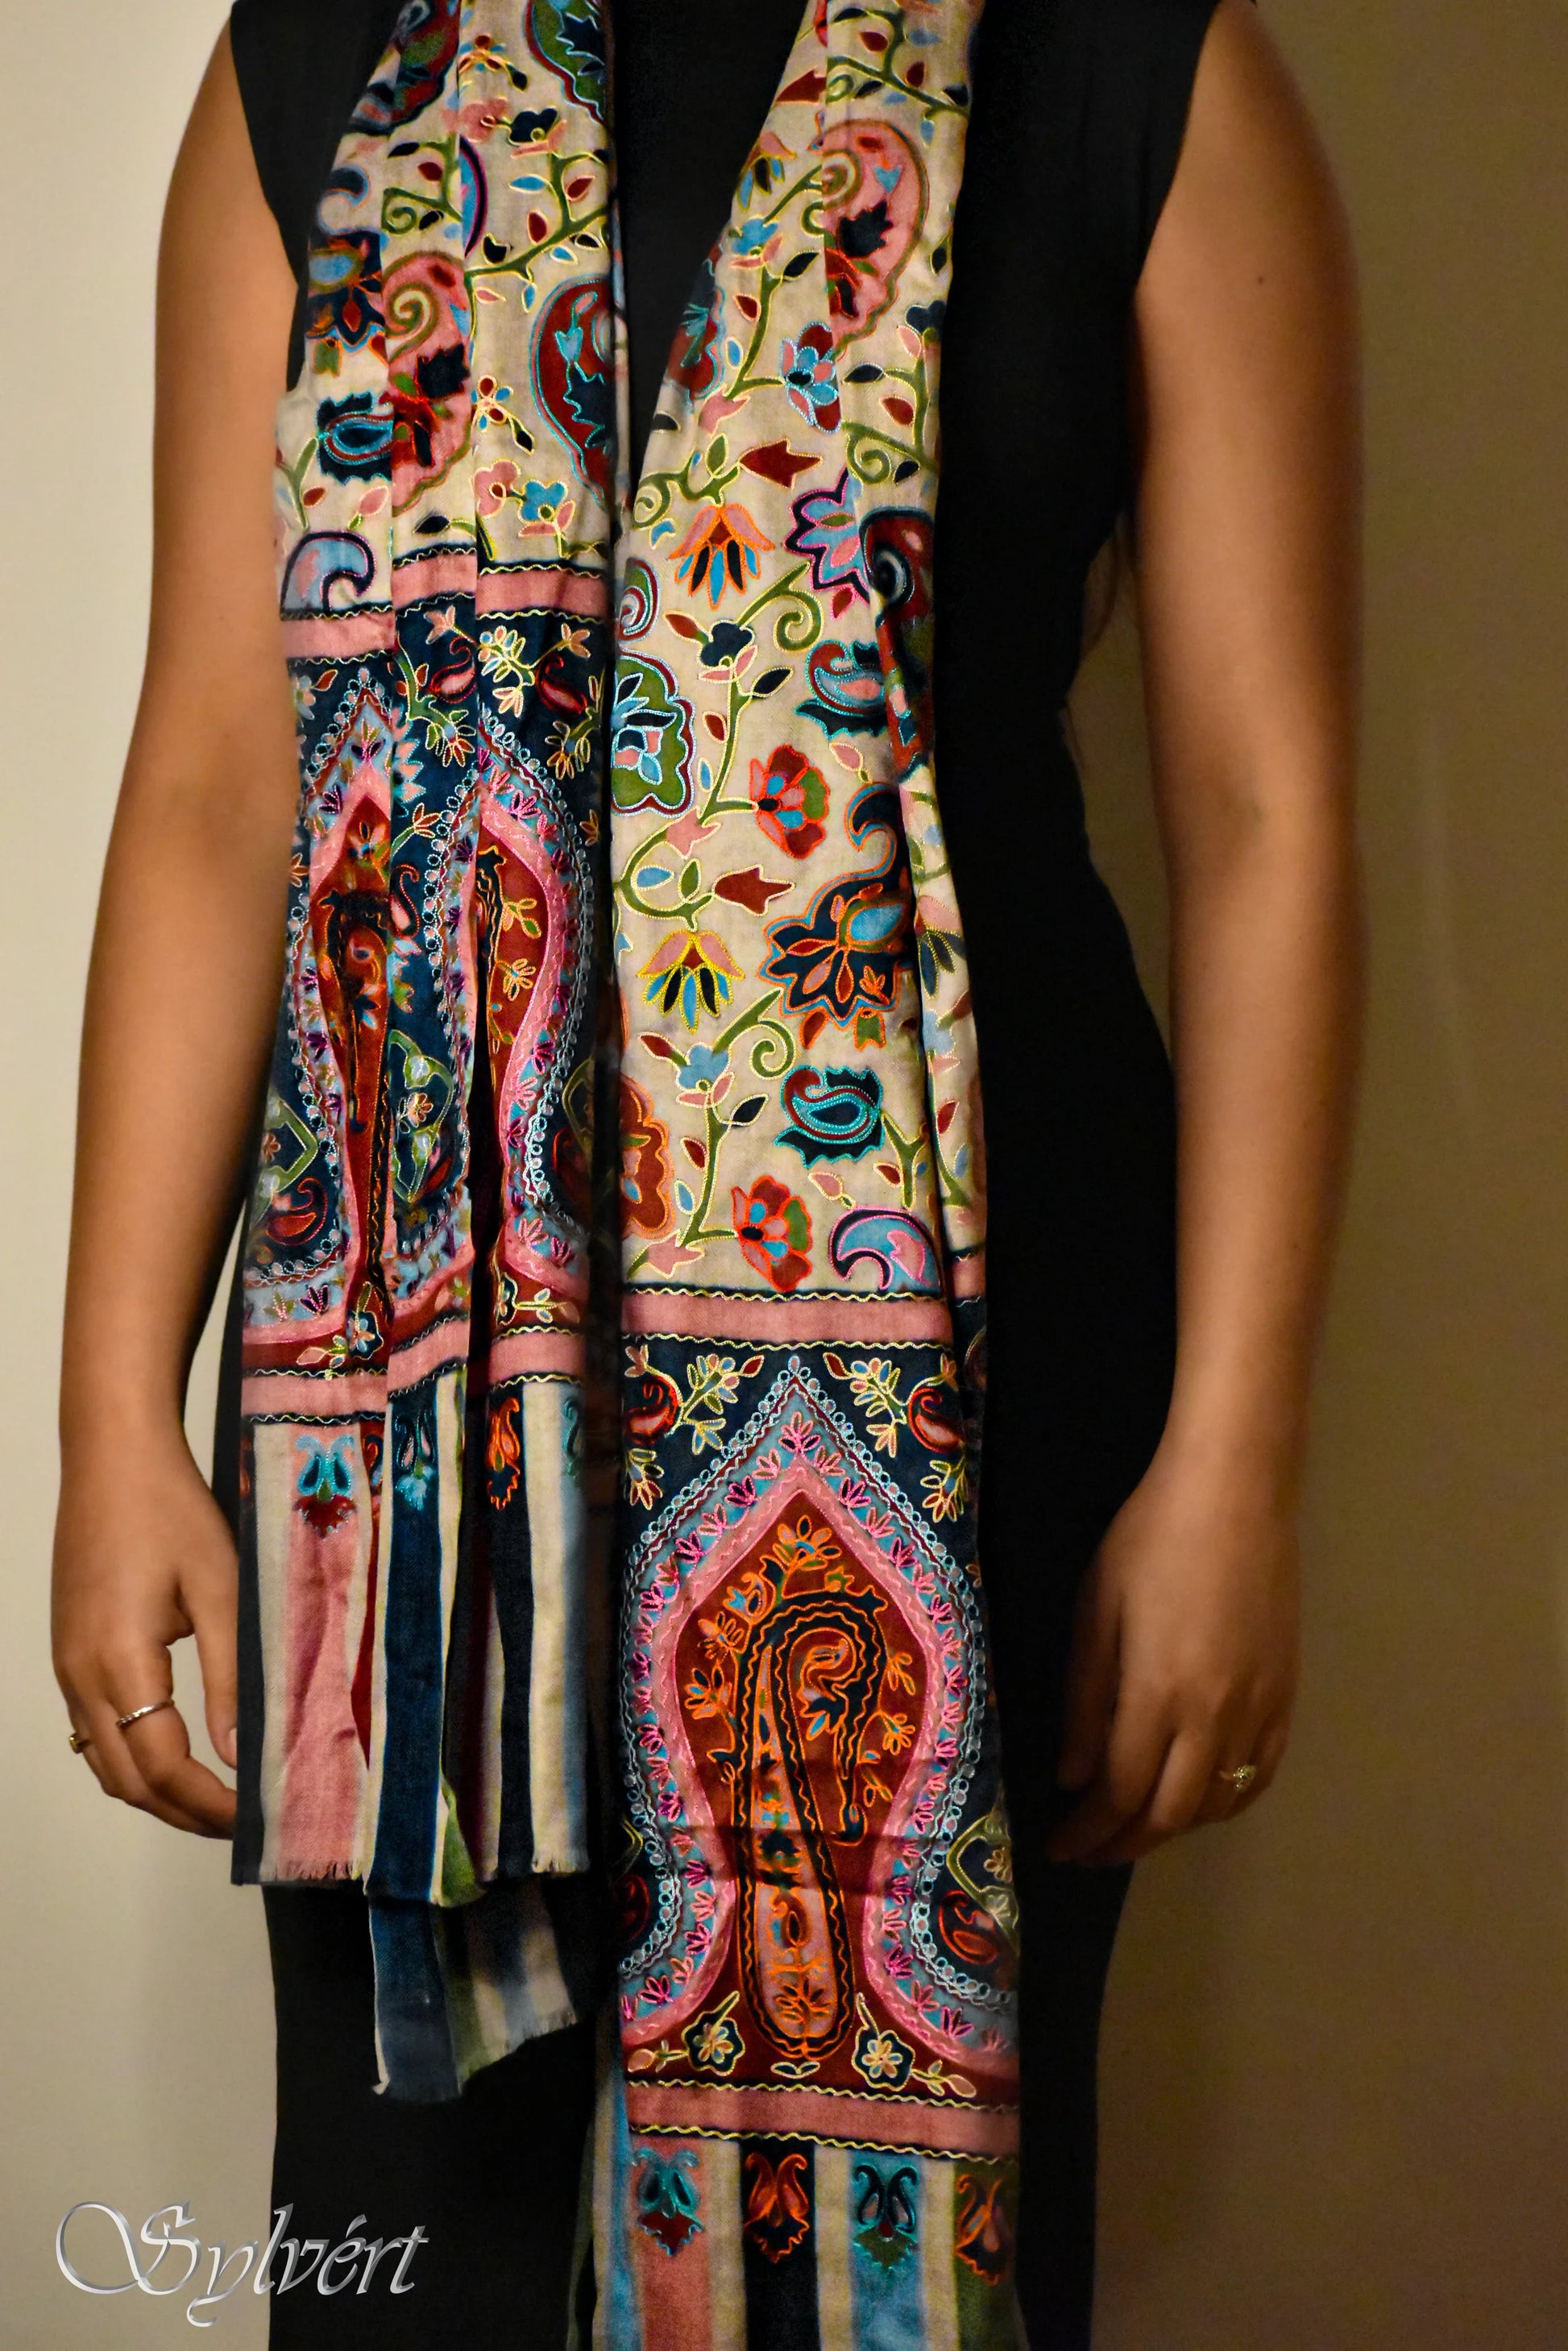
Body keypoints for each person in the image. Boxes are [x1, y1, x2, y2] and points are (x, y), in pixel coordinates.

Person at [52, 0, 1361, 2344]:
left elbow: (1261, 817)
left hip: (969, 1367)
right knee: (402, 2238)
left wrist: (1233, 1462)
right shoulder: (322, 60)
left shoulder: (1128, 67)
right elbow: (212, 787)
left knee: (897, 2245)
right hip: (411, 1409)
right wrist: (102, 1425)